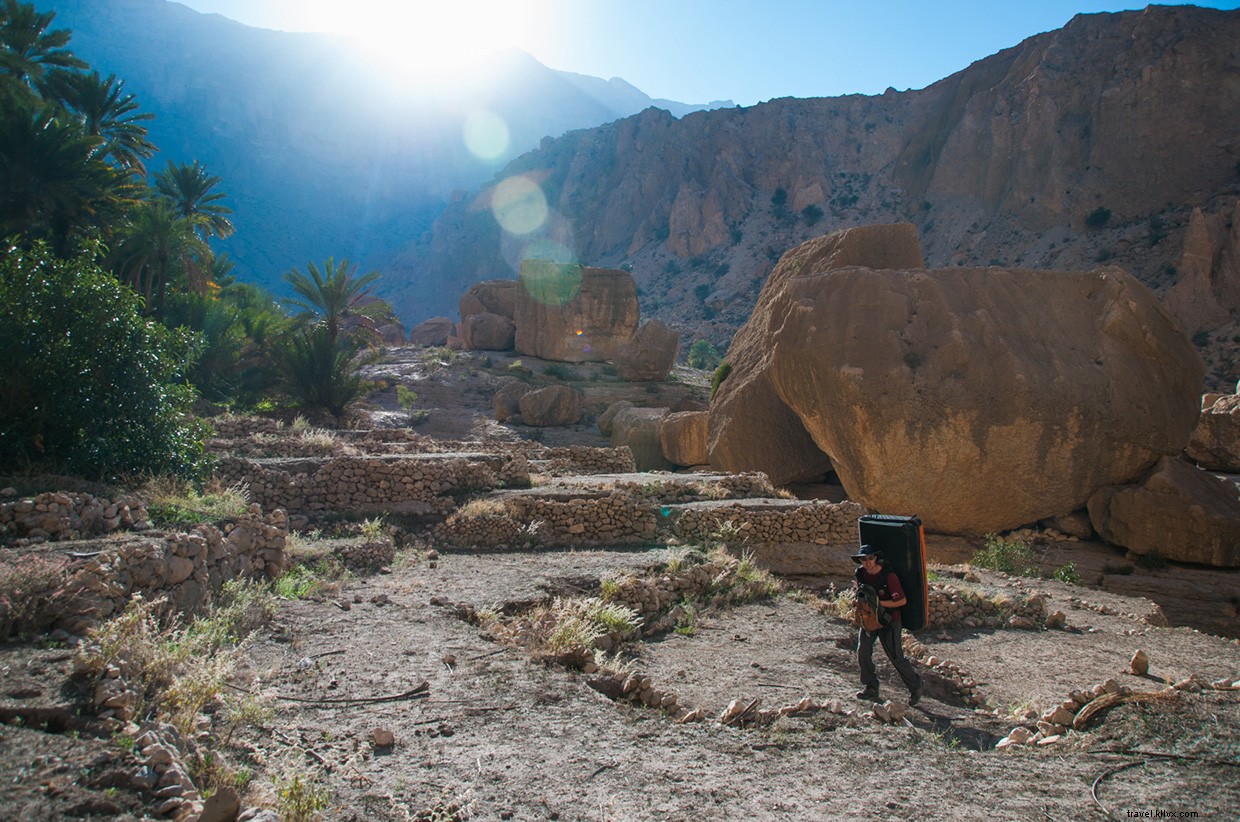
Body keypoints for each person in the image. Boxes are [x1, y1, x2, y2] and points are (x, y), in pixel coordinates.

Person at [852, 543, 923, 706]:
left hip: (891, 620)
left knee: (896, 657)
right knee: (862, 651)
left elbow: (901, 600)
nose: (868, 562)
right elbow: (861, 593)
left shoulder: (889, 577)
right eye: (864, 559)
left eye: (870, 558)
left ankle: (916, 686)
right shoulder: (860, 574)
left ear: (875, 558)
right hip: (870, 620)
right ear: (860, 560)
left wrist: (878, 603)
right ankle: (871, 687)